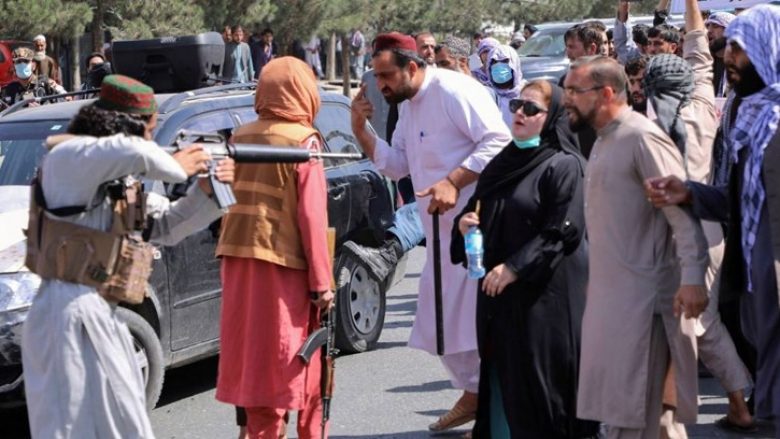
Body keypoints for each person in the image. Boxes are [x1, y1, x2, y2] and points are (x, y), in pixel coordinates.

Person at [21, 74, 234, 438]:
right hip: (64, 316)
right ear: (123, 127)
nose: (152, 141)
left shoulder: (120, 183)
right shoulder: (68, 158)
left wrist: (207, 192)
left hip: (105, 313)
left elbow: (169, 225)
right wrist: (179, 163)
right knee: (68, 428)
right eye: (149, 130)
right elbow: (131, 151)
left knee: (126, 427)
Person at [350, 32, 511, 434]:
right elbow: (398, 164)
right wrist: (361, 129)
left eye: (387, 75)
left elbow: (499, 142)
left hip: (474, 229)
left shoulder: (455, 90)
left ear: (413, 68)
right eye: (377, 76)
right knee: (438, 325)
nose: (381, 84)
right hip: (436, 236)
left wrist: (454, 181)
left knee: (474, 324)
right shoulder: (407, 106)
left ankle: (491, 405)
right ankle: (476, 396)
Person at [645, 5, 780, 438]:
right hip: (740, 250)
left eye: (738, 49)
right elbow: (735, 196)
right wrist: (690, 193)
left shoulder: (773, 118)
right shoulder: (734, 109)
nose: (729, 58)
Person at [565, 56, 709, 439]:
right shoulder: (603, 140)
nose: (567, 100)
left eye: (574, 91)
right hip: (614, 303)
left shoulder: (641, 137)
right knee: (650, 421)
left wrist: (694, 278)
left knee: (636, 417)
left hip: (646, 305)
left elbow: (681, 215)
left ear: (606, 93)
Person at [452, 80, 599, 439]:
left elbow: (562, 231)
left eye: (531, 109)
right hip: (500, 299)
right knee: (506, 384)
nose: (519, 112)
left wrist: (515, 267)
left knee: (544, 393)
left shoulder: (564, 166)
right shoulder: (503, 162)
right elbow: (480, 208)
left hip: (546, 299)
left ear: (551, 119)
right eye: (517, 105)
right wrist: (465, 223)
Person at [215, 57, 333, 439]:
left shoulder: (239, 136)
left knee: (253, 361)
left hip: (237, 262)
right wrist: (322, 283)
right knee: (292, 361)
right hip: (284, 268)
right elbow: (312, 218)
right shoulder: (304, 141)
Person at [0, 47, 66, 107]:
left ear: (33, 65)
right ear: (14, 66)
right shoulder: (9, 90)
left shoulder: (46, 86)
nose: (22, 64)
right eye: (18, 61)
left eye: (26, 61)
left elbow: (62, 105)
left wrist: (41, 110)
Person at [485, 45, 525, 128]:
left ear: (515, 63)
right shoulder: (485, 95)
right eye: (494, 62)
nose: (499, 65)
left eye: (505, 61)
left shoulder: (527, 93)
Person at [705, 12, 736, 97]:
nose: (709, 31)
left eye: (715, 26)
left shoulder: (740, 67)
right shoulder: (705, 64)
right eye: (707, 26)